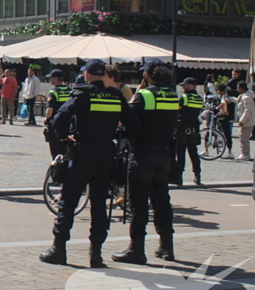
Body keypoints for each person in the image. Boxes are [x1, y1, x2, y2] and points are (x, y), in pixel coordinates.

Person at [40, 58, 138, 267]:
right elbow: (133, 125)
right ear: (103, 76)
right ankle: (96, 254)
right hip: (106, 155)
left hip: (83, 153)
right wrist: (116, 135)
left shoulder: (83, 94)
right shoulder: (115, 96)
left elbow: (59, 120)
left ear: (86, 74)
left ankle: (59, 249)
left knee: (68, 202)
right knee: (99, 204)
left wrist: (66, 139)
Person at [113, 59, 180, 265]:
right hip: (165, 154)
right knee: (161, 201)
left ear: (149, 74)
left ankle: (136, 250)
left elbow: (128, 118)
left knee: (138, 204)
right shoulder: (173, 95)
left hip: (143, 155)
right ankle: (166, 247)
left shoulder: (145, 95)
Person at [174, 77, 204, 186]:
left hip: (182, 128)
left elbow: (176, 109)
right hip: (194, 129)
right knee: (193, 153)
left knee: (180, 154)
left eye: (185, 85)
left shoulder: (184, 98)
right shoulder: (199, 98)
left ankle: (179, 178)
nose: (182, 87)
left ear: (191, 86)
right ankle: (197, 176)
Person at [44, 70, 71, 159]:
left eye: (51, 78)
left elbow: (50, 110)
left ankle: (57, 169)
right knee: (67, 150)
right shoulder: (70, 91)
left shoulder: (53, 92)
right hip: (69, 124)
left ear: (56, 79)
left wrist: (46, 119)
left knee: (56, 151)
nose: (50, 80)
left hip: (56, 124)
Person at [235, 81, 255, 161]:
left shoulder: (246, 97)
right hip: (246, 121)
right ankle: (244, 153)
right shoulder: (242, 96)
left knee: (244, 138)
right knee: (242, 137)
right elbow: (238, 101)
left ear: (241, 88)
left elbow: (248, 110)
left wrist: (242, 121)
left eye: (238, 87)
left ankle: (245, 154)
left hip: (247, 122)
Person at [214, 83, 234, 159]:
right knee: (216, 133)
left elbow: (231, 109)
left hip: (226, 119)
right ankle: (218, 150)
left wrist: (228, 113)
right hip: (217, 118)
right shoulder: (216, 98)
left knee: (227, 134)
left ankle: (229, 150)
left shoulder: (228, 99)